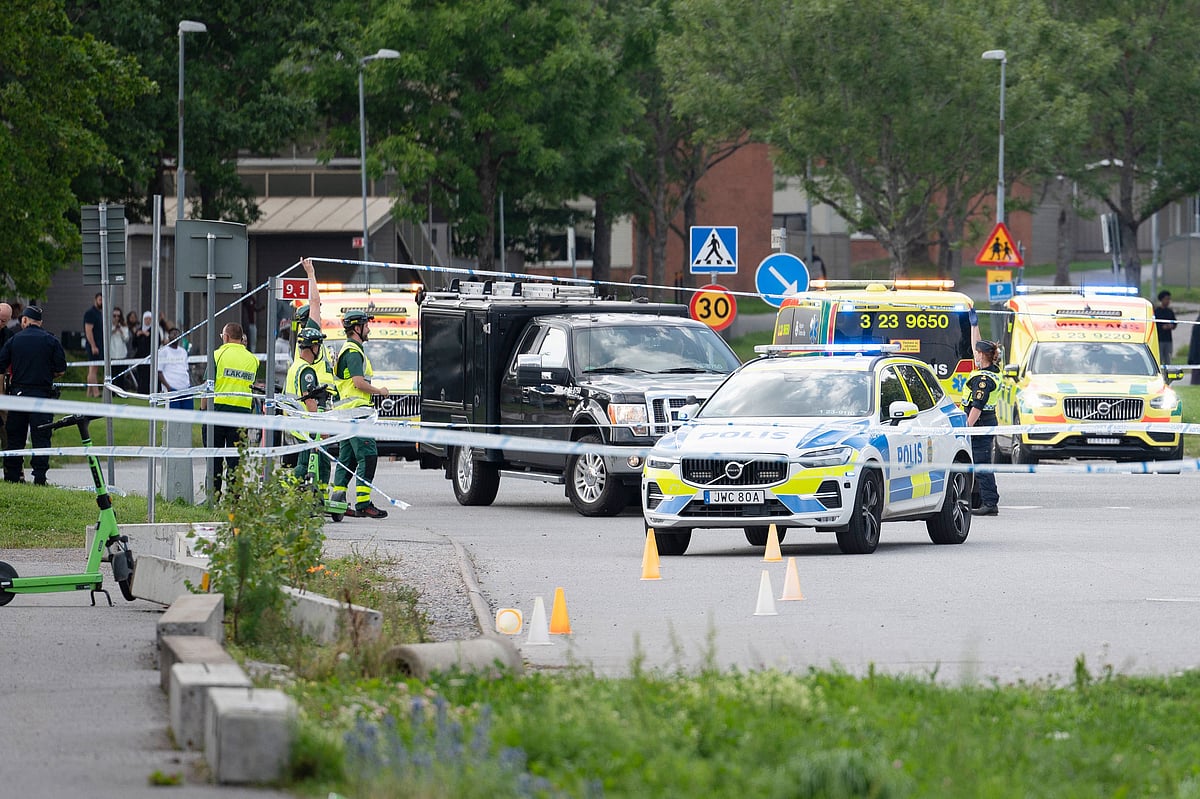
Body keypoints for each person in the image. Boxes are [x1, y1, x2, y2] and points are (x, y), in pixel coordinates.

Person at [331, 309, 390, 519]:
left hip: (347, 413)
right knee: (368, 455)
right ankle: (363, 503)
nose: (369, 329)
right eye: (366, 325)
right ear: (357, 328)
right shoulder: (353, 352)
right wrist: (380, 391)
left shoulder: (349, 349)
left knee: (347, 459)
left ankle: (336, 504)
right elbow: (358, 383)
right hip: (356, 414)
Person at [0, 306, 67, 485]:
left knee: (15, 437)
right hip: (42, 396)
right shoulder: (51, 340)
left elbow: (1, 365)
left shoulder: (15, 340)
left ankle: (13, 476)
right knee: (41, 437)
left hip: (18, 395)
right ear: (40, 322)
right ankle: (39, 477)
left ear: (24, 320)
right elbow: (61, 369)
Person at [210, 322, 260, 498]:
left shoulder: (217, 355)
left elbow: (207, 388)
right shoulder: (253, 359)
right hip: (242, 415)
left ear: (226, 337)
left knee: (214, 458)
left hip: (217, 411)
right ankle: (234, 498)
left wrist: (202, 413)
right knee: (235, 460)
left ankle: (213, 496)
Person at [286, 327, 334, 496]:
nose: (319, 350)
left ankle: (300, 494)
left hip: (296, 423)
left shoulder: (295, 367)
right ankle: (316, 497)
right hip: (307, 425)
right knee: (318, 462)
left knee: (306, 461)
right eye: (318, 347)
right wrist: (320, 427)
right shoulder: (307, 370)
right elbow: (309, 400)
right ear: (313, 347)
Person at [962, 339, 1001, 517]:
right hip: (986, 422)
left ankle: (990, 502)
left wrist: (967, 428)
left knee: (981, 463)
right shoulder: (991, 372)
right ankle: (980, 498)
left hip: (980, 424)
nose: (974, 354)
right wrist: (974, 324)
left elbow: (977, 405)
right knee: (978, 462)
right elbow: (975, 342)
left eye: (976, 353)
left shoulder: (983, 379)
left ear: (982, 355)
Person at [157, 327, 193, 410]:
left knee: (188, 417)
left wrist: (189, 384)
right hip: (172, 389)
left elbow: (186, 369)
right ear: (168, 336)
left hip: (186, 388)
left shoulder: (183, 351)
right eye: (173, 333)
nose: (175, 335)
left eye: (177, 334)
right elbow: (159, 372)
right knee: (172, 419)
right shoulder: (164, 351)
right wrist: (168, 387)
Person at [108, 306, 134, 391]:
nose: (116, 318)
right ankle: (112, 392)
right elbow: (106, 337)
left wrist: (121, 331)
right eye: (114, 316)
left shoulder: (124, 326)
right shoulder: (108, 326)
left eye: (118, 316)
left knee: (121, 375)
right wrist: (113, 330)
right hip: (111, 354)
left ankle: (120, 391)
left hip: (122, 354)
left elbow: (126, 339)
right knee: (112, 375)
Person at [82, 292, 103, 397]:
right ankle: (96, 393)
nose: (102, 302)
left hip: (98, 345)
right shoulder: (90, 313)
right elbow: (88, 331)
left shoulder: (99, 313)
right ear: (95, 300)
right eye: (100, 299)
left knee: (93, 369)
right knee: (93, 369)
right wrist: (93, 346)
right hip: (93, 345)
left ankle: (88, 394)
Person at [131, 311, 154, 393]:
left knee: (149, 374)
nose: (147, 321)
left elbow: (156, 343)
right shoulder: (139, 330)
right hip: (140, 357)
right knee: (141, 375)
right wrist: (137, 335)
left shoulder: (154, 330)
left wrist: (148, 335)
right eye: (146, 319)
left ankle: (150, 391)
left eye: (149, 319)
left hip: (150, 357)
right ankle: (141, 391)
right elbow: (134, 344)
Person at [1154, 290, 1177, 365]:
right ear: (1162, 299)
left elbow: (1175, 322)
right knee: (1159, 359)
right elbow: (1155, 324)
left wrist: (1172, 326)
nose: (1168, 301)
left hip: (1168, 340)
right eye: (1166, 299)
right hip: (1159, 340)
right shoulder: (1156, 311)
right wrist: (1162, 327)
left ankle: (1168, 376)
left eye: (1169, 299)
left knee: (1168, 359)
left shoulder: (1170, 311)